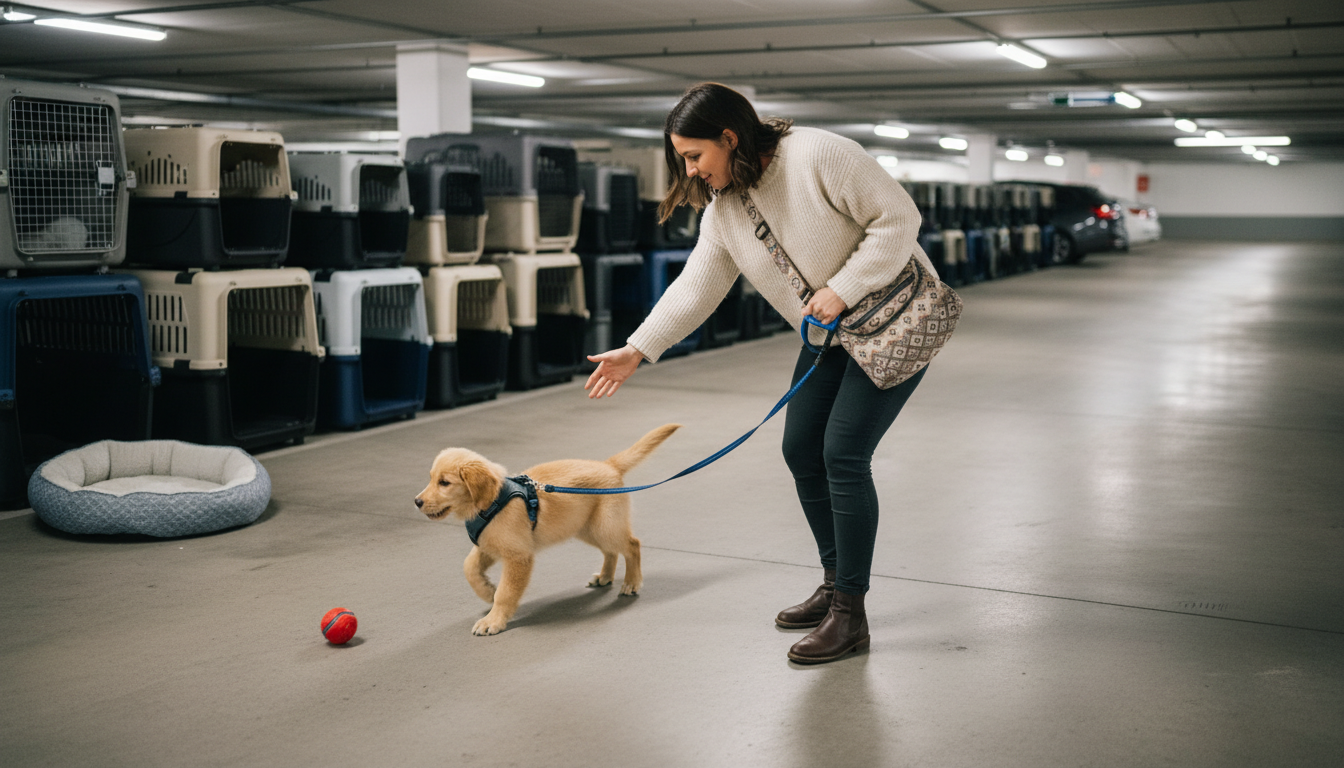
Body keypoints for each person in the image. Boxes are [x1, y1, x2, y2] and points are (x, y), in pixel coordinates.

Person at [584, 83, 935, 664]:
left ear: (730, 137)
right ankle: (833, 580)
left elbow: (899, 218)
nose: (690, 172)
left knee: (843, 454)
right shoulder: (727, 208)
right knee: (801, 450)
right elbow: (699, 284)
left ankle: (851, 613)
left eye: (695, 156)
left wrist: (843, 289)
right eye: (682, 160)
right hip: (830, 335)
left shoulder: (820, 155)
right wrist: (637, 349)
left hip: (893, 322)